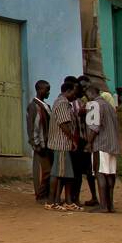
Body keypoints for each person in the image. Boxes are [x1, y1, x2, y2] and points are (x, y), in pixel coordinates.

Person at [84, 84, 120, 212]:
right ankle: (110, 205)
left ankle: (103, 206)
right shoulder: (109, 106)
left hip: (100, 144)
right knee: (110, 174)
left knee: (99, 173)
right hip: (112, 145)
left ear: (89, 94)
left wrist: (89, 143)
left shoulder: (93, 105)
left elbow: (94, 127)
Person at [45, 79, 80, 210]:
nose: (75, 95)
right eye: (74, 92)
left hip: (63, 143)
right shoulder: (62, 103)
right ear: (68, 91)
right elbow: (63, 124)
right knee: (57, 173)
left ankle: (64, 201)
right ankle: (51, 201)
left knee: (64, 173)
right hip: (61, 143)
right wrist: (72, 139)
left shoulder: (64, 103)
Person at [74, 76, 98, 206]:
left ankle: (95, 196)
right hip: (83, 140)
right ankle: (76, 197)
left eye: (85, 87)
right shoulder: (79, 101)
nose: (83, 90)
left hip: (92, 140)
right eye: (81, 87)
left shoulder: (99, 99)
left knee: (92, 171)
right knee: (80, 171)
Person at [27, 80, 52, 202]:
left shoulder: (46, 106)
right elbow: (32, 127)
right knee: (43, 171)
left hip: (47, 143)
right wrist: (35, 143)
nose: (48, 92)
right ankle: (40, 195)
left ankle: (45, 194)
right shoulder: (34, 106)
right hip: (40, 144)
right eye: (46, 90)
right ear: (39, 90)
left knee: (48, 170)